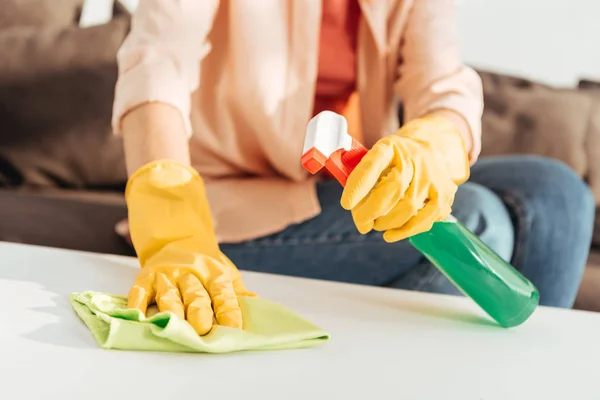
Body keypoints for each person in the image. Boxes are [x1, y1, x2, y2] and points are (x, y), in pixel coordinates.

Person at [111, 0, 593, 335]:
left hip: (352, 183)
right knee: (475, 218)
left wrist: (431, 148)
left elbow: (442, 85)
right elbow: (156, 65)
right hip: (239, 203)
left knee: (557, 193)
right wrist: (174, 230)